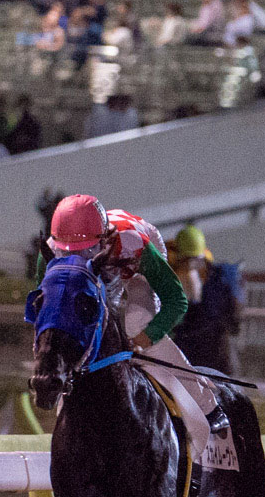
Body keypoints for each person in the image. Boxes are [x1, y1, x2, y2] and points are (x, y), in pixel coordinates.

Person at [46, 194, 216, 458]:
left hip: (133, 266)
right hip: (109, 266)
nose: (78, 258)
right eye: (69, 253)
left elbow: (176, 300)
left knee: (136, 318)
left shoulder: (133, 244)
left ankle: (202, 398)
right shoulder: (52, 249)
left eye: (86, 251)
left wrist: (146, 337)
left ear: (103, 241)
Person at [167, 224, 243, 376]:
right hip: (191, 349)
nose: (190, 265)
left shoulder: (220, 278)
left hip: (213, 349)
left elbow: (234, 316)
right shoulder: (177, 273)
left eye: (193, 260)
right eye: (186, 261)